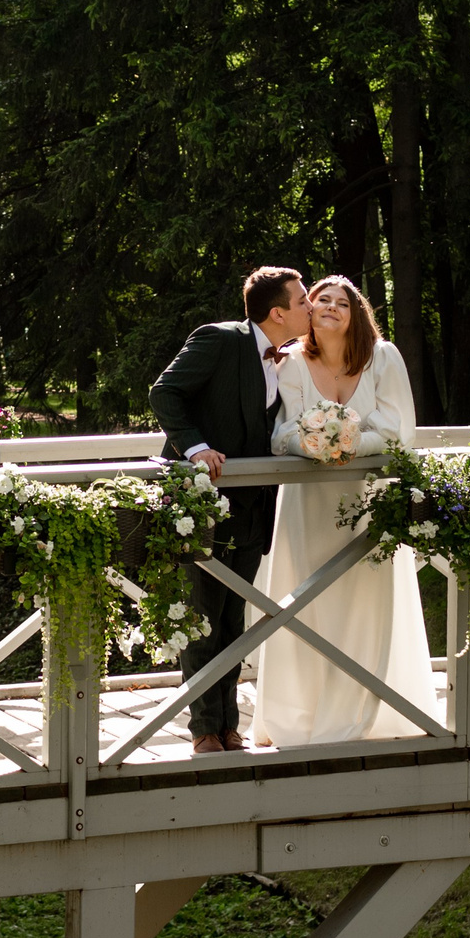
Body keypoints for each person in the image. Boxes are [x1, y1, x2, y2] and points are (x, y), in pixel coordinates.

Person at [253, 274, 439, 748]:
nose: (332, 307)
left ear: (356, 314)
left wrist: (347, 442)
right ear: (310, 312)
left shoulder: (383, 357)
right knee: (304, 606)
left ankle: (364, 711)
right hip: (306, 504)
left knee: (364, 606)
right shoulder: (292, 363)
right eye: (322, 300)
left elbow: (399, 433)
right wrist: (316, 443)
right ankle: (297, 715)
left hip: (365, 502)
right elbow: (280, 435)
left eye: (343, 302)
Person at [147, 267, 311, 753]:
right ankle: (203, 728)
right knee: (203, 619)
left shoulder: (287, 358)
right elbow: (164, 392)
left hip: (254, 505)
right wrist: (196, 448)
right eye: (302, 300)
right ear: (277, 311)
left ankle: (228, 725)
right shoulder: (219, 339)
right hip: (204, 503)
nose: (310, 307)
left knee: (234, 619)